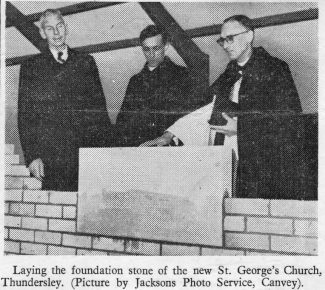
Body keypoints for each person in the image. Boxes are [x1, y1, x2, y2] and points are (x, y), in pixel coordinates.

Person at [145, 15, 306, 200]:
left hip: (262, 166)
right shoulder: (228, 74)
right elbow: (206, 109)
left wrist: (241, 128)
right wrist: (171, 134)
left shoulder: (275, 69)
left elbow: (289, 121)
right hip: (228, 161)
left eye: (231, 38)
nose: (226, 45)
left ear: (249, 36)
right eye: (222, 40)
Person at [18, 9, 113, 191]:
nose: (56, 33)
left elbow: (99, 112)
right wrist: (32, 157)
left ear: (66, 27)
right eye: (50, 28)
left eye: (59, 26)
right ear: (42, 32)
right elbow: (25, 117)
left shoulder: (86, 62)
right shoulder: (31, 68)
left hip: (85, 156)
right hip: (51, 160)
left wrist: (104, 153)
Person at [116, 25, 202, 147]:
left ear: (165, 46)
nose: (151, 54)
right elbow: (123, 120)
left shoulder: (183, 75)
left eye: (156, 48)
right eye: (146, 49)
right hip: (139, 149)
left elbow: (193, 115)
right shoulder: (135, 81)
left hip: (170, 149)